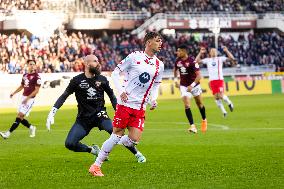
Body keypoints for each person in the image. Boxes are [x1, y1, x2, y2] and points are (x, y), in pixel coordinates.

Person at [89, 31, 164, 176]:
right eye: (157, 40)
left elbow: (155, 85)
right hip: (126, 104)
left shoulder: (159, 65)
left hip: (140, 107)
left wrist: (153, 99)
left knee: (133, 140)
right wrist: (121, 90)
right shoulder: (134, 56)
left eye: (161, 41)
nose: (160, 43)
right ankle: (96, 166)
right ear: (148, 42)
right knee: (117, 134)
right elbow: (115, 73)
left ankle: (113, 143)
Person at [46, 55, 146, 162]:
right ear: (87, 64)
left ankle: (137, 154)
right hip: (83, 119)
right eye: (95, 61)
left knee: (116, 132)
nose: (98, 63)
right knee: (70, 144)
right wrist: (53, 112)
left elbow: (112, 96)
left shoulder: (102, 80)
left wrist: (118, 111)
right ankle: (93, 150)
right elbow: (64, 95)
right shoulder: (76, 80)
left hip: (100, 115)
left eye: (98, 60)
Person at [0, 60, 40, 139]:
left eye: (33, 64)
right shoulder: (25, 75)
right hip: (23, 98)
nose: (32, 66)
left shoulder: (37, 76)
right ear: (27, 65)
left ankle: (7, 133)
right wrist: (13, 93)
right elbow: (22, 86)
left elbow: (36, 90)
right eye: (30, 64)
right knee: (20, 118)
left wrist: (28, 98)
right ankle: (31, 127)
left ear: (35, 66)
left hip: (30, 99)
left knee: (20, 115)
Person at [173, 45, 207, 133]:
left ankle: (204, 119)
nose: (178, 52)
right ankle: (192, 126)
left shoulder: (192, 61)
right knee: (187, 105)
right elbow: (175, 70)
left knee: (199, 104)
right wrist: (176, 79)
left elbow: (199, 76)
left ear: (184, 52)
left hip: (194, 85)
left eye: (179, 51)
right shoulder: (177, 61)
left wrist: (192, 85)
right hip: (183, 85)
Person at [195, 46, 236, 117]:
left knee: (220, 95)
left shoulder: (220, 59)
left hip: (219, 79)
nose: (213, 52)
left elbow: (232, 58)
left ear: (217, 53)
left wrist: (227, 51)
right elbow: (196, 61)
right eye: (212, 51)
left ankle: (230, 103)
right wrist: (200, 53)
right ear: (210, 53)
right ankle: (224, 112)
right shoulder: (208, 60)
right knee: (216, 97)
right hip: (212, 81)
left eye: (214, 51)